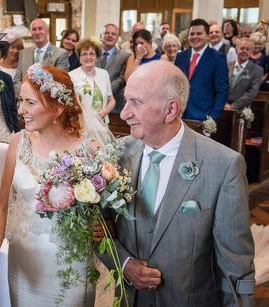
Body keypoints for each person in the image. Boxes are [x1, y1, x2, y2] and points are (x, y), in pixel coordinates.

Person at [101, 60, 255, 306]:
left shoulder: (223, 165)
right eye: (126, 100)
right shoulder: (117, 156)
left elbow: (235, 266)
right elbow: (99, 229)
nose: (124, 113)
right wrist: (125, 264)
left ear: (170, 110)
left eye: (135, 103)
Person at [0, 65, 95, 306]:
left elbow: (101, 219)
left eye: (30, 103)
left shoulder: (89, 152)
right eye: (20, 101)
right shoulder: (17, 144)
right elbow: (2, 207)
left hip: (70, 266)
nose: (21, 109)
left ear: (57, 108)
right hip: (24, 266)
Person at [175, 18, 229, 121]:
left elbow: (222, 90)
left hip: (203, 117)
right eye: (192, 34)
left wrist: (213, 117)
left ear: (208, 36)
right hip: (179, 116)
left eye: (199, 33)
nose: (194, 37)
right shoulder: (180, 57)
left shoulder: (217, 58)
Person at [13, 18, 69, 95]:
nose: (37, 32)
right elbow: (17, 80)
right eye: (34, 29)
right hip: (26, 101)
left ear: (47, 31)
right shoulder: (23, 53)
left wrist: (39, 98)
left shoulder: (60, 54)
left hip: (48, 103)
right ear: (30, 32)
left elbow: (61, 82)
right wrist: (26, 95)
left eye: (40, 28)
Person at [69, 38, 115, 124]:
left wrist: (106, 110)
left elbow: (111, 99)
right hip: (83, 124)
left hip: (103, 123)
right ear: (79, 57)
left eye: (92, 54)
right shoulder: (71, 76)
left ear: (97, 57)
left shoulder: (104, 74)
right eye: (84, 54)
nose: (88, 57)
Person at [96, 23, 130, 113]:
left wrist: (105, 92)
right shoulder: (92, 54)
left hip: (116, 105)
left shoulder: (125, 56)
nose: (110, 35)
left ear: (117, 37)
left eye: (113, 34)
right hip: (93, 104)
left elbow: (122, 79)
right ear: (101, 35)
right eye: (107, 33)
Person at [226, 38, 263, 110]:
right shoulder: (226, 65)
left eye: (248, 49)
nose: (244, 51)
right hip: (222, 106)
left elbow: (251, 93)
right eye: (242, 48)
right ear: (236, 50)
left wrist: (233, 106)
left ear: (251, 52)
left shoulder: (257, 70)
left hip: (242, 109)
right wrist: (223, 103)